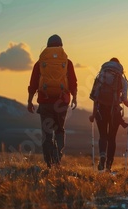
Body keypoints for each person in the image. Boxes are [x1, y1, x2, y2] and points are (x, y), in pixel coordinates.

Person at [27, 34, 78, 168]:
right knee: (59, 130)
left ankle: (49, 163)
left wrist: (29, 101)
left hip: (45, 101)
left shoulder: (40, 63)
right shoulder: (67, 62)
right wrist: (75, 98)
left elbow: (33, 84)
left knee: (47, 132)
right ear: (61, 46)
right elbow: (73, 82)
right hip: (62, 102)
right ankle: (57, 158)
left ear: (48, 46)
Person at [89, 58, 128, 172]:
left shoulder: (101, 76)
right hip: (114, 112)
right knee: (112, 138)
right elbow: (124, 99)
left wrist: (93, 114)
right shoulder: (122, 80)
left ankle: (102, 156)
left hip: (100, 109)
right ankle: (109, 165)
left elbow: (95, 97)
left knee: (102, 135)